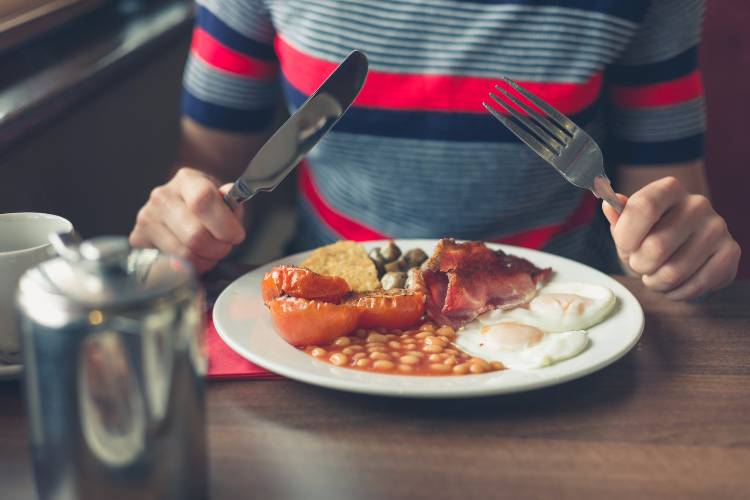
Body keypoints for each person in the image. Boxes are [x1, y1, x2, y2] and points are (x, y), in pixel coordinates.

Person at [129, 0, 740, 302]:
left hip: (556, 304)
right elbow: (211, 164)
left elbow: (669, 194)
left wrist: (677, 244)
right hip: (332, 304)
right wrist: (188, 220)